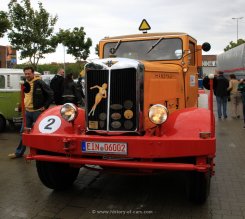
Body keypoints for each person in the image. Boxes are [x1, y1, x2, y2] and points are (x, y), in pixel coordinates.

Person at [8, 66, 53, 159]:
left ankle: (43, 153)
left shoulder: (39, 82)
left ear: (33, 73)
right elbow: (25, 95)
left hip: (37, 112)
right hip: (27, 112)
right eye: (26, 74)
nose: (27, 75)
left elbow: (50, 94)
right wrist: (21, 105)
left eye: (29, 73)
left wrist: (45, 106)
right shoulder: (25, 83)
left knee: (40, 133)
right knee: (24, 133)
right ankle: (18, 153)